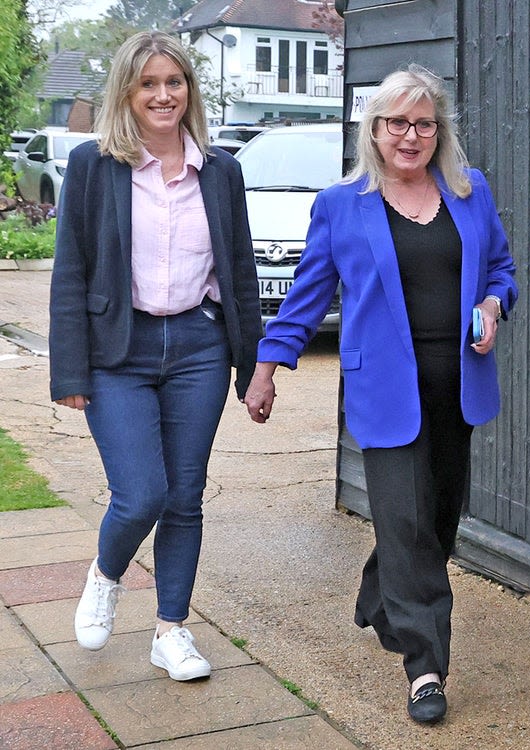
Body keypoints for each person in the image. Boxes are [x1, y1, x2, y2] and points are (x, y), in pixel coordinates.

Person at [242, 64, 518, 725]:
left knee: (435, 522)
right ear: (375, 129)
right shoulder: (342, 204)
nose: (411, 135)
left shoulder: (468, 190)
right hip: (384, 389)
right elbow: (308, 294)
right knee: (404, 519)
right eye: (398, 122)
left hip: (457, 386)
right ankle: (425, 667)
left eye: (424, 123)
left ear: (439, 130)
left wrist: (492, 303)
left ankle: (379, 592)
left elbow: (502, 270)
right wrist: (267, 365)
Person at [49, 31, 261, 681]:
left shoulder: (221, 172)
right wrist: (71, 371)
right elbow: (71, 273)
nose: (163, 95)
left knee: (185, 497)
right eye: (148, 84)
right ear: (128, 93)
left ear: (189, 91)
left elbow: (240, 275)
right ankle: (107, 574)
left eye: (174, 82)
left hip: (198, 347)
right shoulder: (93, 165)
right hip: (119, 350)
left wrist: (253, 370)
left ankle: (171, 631)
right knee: (141, 494)